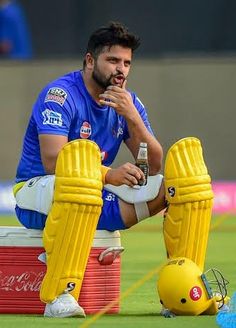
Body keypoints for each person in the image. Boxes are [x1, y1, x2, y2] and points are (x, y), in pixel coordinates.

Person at [13, 21, 215, 318]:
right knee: (78, 179)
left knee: (185, 182)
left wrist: (132, 116)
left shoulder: (127, 102)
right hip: (38, 192)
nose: (121, 69)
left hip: (92, 193)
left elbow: (155, 164)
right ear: (90, 60)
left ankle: (181, 289)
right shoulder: (60, 95)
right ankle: (59, 295)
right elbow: (54, 161)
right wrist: (108, 174)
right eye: (113, 61)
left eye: (127, 63)